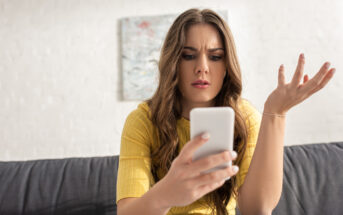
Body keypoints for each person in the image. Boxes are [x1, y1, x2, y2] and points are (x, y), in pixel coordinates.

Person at [116, 8, 336, 215]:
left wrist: (275, 113)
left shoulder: (244, 117)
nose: (202, 67)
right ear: (173, 62)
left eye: (215, 56)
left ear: (226, 66)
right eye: (189, 55)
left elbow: (256, 208)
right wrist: (166, 194)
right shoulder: (143, 120)